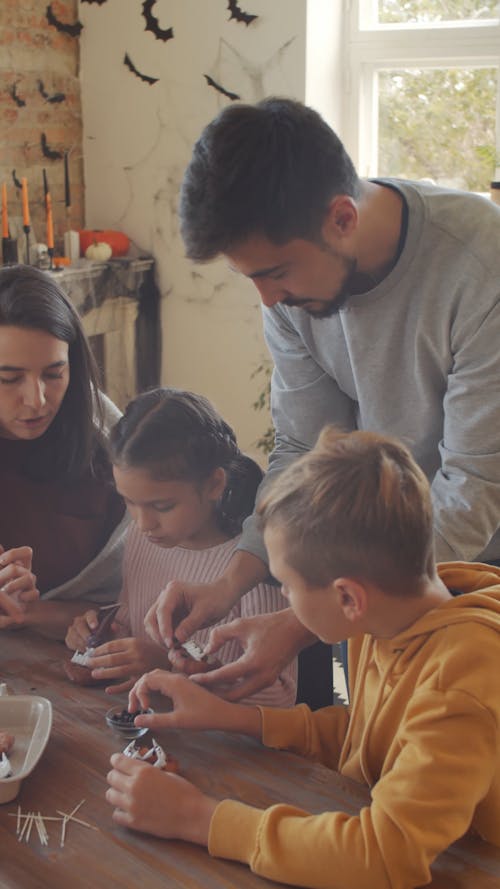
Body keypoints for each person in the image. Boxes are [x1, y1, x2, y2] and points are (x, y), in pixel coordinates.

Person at [144, 95, 500, 702]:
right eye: (249, 276)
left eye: (276, 272)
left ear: (342, 218)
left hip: (475, 578)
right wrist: (230, 580)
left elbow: (472, 491)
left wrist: (305, 620)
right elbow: (303, 450)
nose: (266, 299)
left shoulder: (480, 266)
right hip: (364, 581)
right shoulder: (292, 294)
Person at [106, 427, 500, 889]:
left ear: (348, 598)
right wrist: (234, 718)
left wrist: (199, 818)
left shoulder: (459, 683)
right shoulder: (389, 620)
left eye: (287, 585)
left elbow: (382, 856)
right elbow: (367, 740)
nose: (286, 602)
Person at [65, 388, 296, 704]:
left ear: (215, 484)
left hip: (222, 748)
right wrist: (102, 636)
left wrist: (168, 666)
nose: (143, 523)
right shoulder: (141, 537)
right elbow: (132, 623)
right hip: (152, 726)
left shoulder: (253, 568)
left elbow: (278, 698)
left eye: (162, 506)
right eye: (129, 502)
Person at [0, 264, 128, 637]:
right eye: (9, 379)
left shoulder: (106, 437)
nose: (37, 401)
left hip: (84, 661)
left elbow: (139, 595)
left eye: (54, 374)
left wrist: (33, 612)